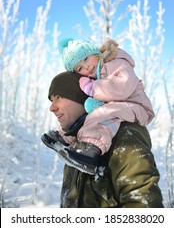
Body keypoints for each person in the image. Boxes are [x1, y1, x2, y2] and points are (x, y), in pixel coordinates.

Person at [42, 71, 164, 208]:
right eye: (51, 100)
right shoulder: (78, 143)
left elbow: (143, 206)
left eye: (58, 97)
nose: (52, 107)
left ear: (80, 97)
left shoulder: (123, 134)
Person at [45, 37, 155, 174]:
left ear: (96, 53)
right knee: (89, 115)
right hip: (119, 106)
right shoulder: (96, 75)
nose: (87, 67)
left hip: (136, 105)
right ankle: (65, 137)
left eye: (86, 59)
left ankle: (90, 150)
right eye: (80, 68)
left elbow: (122, 88)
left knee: (101, 114)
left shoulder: (117, 63)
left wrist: (94, 88)